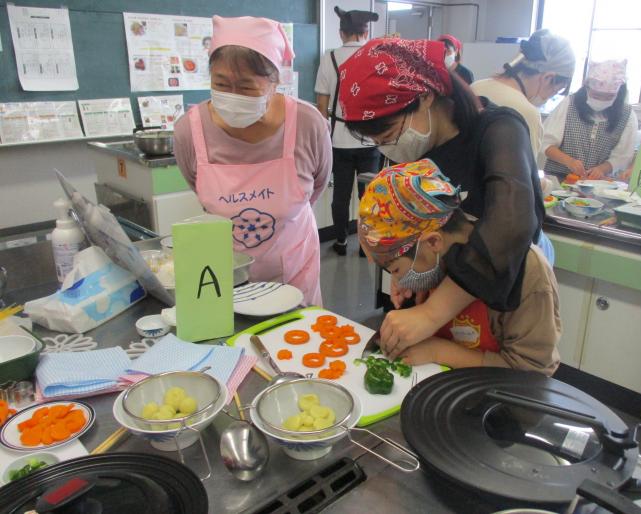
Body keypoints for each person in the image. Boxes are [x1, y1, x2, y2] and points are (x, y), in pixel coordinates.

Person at [338, 38, 544, 356]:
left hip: (502, 295)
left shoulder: (498, 129)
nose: (387, 148)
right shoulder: (419, 144)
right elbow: (410, 225)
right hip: (451, 307)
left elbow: (511, 226)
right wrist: (410, 270)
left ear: (425, 96)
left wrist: (432, 313)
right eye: (377, 140)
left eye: (389, 133)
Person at [174, 16, 332, 306]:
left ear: (275, 81)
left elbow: (317, 186)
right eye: (221, 83)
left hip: (294, 271)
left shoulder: (308, 125)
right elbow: (200, 193)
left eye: (246, 87)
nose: (232, 96)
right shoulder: (189, 131)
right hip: (226, 276)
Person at [359, 160, 561, 376]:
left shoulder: (528, 274)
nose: (398, 282)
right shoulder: (435, 257)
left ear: (433, 243)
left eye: (396, 270)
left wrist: (439, 351)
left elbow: (533, 373)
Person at [315, 6, 382, 256]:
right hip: (370, 139)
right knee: (370, 196)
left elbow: (321, 107)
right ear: (366, 32)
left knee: (341, 196)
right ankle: (366, 245)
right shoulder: (376, 58)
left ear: (341, 33)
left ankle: (341, 241)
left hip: (339, 140)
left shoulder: (329, 58)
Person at [471, 29, 574, 157]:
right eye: (555, 91)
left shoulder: (476, 86)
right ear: (548, 78)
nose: (549, 97)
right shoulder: (527, 113)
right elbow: (523, 174)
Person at [542, 59, 638, 181]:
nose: (601, 100)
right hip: (560, 177)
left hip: (599, 184)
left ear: (619, 94)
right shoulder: (570, 104)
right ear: (587, 88)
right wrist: (570, 161)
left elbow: (623, 156)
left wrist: (601, 169)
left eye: (609, 97)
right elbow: (546, 143)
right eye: (596, 95)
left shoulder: (627, 115)